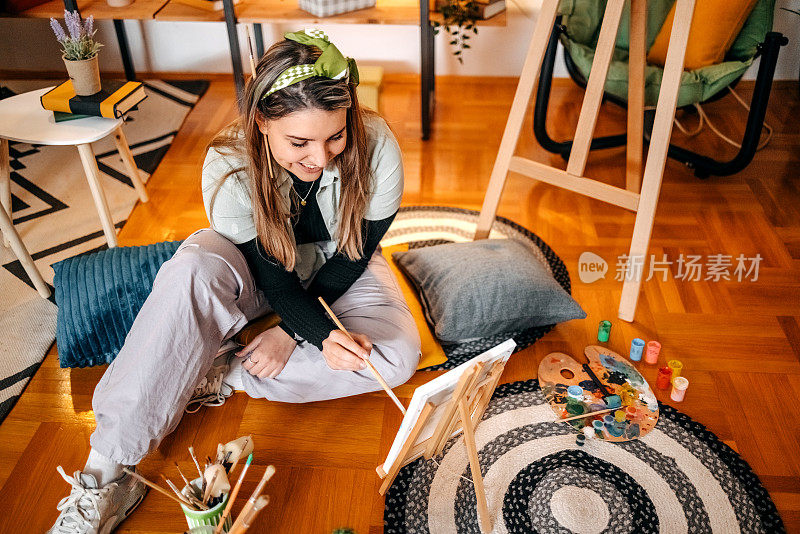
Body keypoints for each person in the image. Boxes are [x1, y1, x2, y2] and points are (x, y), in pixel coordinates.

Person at [48, 29, 421, 533]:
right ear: (262, 122)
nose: (322, 157)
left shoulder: (379, 148)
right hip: (261, 270)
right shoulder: (228, 163)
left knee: (396, 357)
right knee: (191, 270)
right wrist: (310, 332)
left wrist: (291, 334)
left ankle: (207, 371)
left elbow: (352, 258)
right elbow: (277, 280)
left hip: (339, 268)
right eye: (299, 142)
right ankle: (105, 475)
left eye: (335, 135)